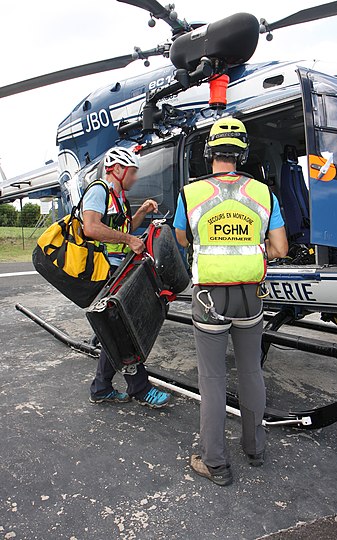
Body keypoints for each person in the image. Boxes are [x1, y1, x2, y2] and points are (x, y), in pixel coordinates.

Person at [174, 117, 288, 486]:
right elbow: (281, 248)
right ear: (243, 153)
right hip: (251, 295)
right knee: (251, 371)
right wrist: (257, 250)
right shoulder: (262, 193)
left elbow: (181, 238)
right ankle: (255, 448)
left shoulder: (191, 194)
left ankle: (215, 463)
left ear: (209, 152)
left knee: (212, 378)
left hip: (210, 297)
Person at [82, 146, 170, 408]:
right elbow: (92, 227)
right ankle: (140, 388)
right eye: (132, 172)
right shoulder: (99, 191)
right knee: (123, 330)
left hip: (117, 270)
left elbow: (120, 229)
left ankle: (101, 388)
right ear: (117, 170)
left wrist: (141, 212)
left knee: (114, 329)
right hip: (104, 271)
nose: (135, 178)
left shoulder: (117, 197)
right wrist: (129, 239)